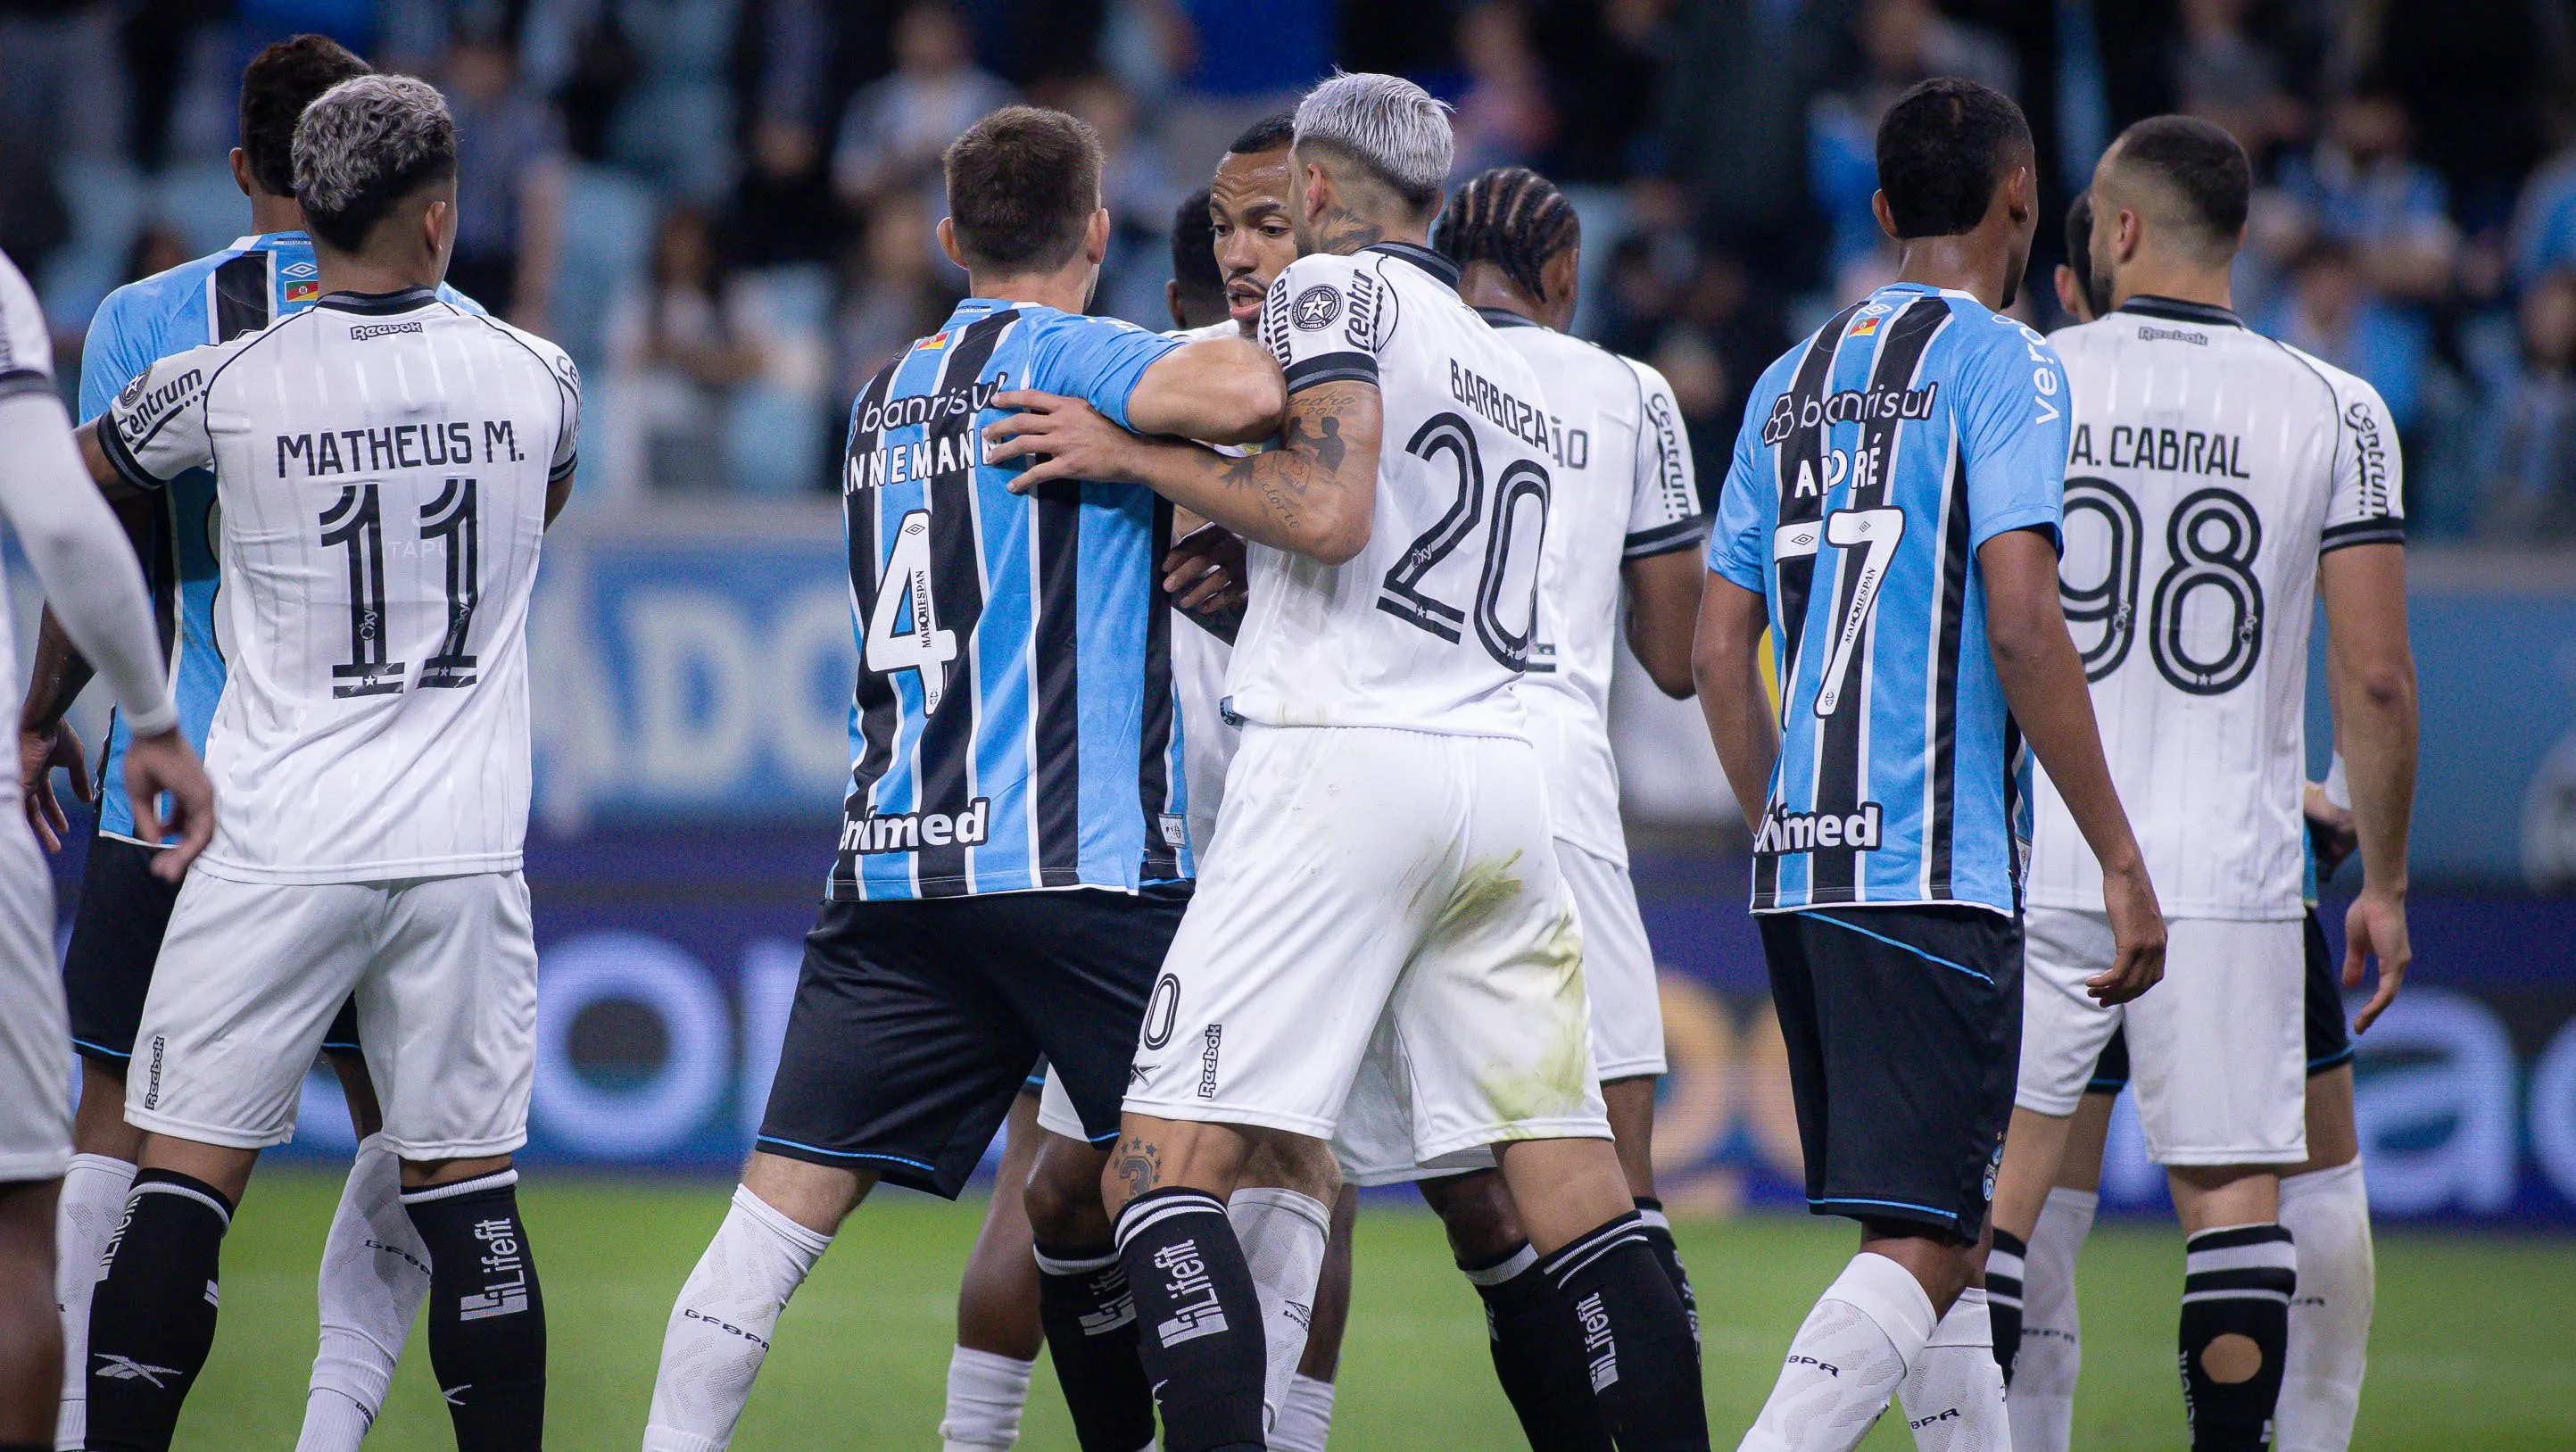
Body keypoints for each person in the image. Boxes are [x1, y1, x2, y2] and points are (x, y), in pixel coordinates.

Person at [984, 71, 1710, 1452]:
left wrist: (1134, 454)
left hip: (1342, 767)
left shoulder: (1333, 291)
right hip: (1503, 790)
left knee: (1152, 1168)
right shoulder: (1513, 364)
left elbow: (1327, 509)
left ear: (1315, 189)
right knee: (1578, 1194)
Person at [638, 104, 1285, 1452]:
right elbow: (1247, 393)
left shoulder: (881, 392)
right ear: (1096, 231)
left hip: (895, 863)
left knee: (769, 1225)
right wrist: (1153, 438)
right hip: (1081, 864)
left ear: (947, 237)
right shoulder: (1072, 352)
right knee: (1191, 1185)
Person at [71, 73, 583, 1452]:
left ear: (303, 211)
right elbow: (539, 505)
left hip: (276, 836)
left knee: (181, 1184)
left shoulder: (223, 381)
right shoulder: (539, 375)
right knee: (471, 1199)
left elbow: (84, 482)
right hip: (460, 848)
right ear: (439, 220)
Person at [1694, 77, 2167, 1452]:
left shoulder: (1787, 379)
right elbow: (2021, 618)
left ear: (1884, 206)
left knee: (1940, 1231)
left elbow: (1719, 650)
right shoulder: (2009, 361)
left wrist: (1784, 819)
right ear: (2022, 195)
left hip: (1806, 866)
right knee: (1928, 1246)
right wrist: (2117, 854)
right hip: (1933, 866)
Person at [1988, 114, 2415, 1452]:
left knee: (1996, 1216)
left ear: (2115, 228)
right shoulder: (2337, 406)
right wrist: (2387, 880)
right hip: (2232, 864)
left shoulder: (2026, 379)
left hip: (2045, 855)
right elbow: (2377, 679)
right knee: (2234, 1207)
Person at [1293, 162, 1709, 1452]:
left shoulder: (1402, 355)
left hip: (1391, 782)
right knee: (1613, 1199)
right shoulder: (1627, 390)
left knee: (1445, 1203)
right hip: (1556, 800)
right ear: (1565, 276)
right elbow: (1674, 655)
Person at [0, 248, 213, 1452]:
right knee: (18, 1214)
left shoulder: (142, 319)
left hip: (163, 826)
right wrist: (151, 714)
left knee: (103, 1107)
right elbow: (69, 520)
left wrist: (50, 707)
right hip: (329, 810)